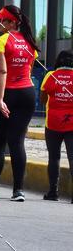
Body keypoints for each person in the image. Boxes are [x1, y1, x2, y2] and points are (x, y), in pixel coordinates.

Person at [0, 5, 39, 201]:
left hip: (8, 92)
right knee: (17, 141)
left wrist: (0, 99)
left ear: (11, 22)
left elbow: (2, 71)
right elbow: (28, 69)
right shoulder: (29, 43)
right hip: (28, 93)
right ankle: (18, 190)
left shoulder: (0, 42)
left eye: (2, 20)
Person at [40, 49, 73, 203]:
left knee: (54, 158)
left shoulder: (50, 76)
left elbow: (42, 99)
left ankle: (53, 192)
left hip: (52, 123)